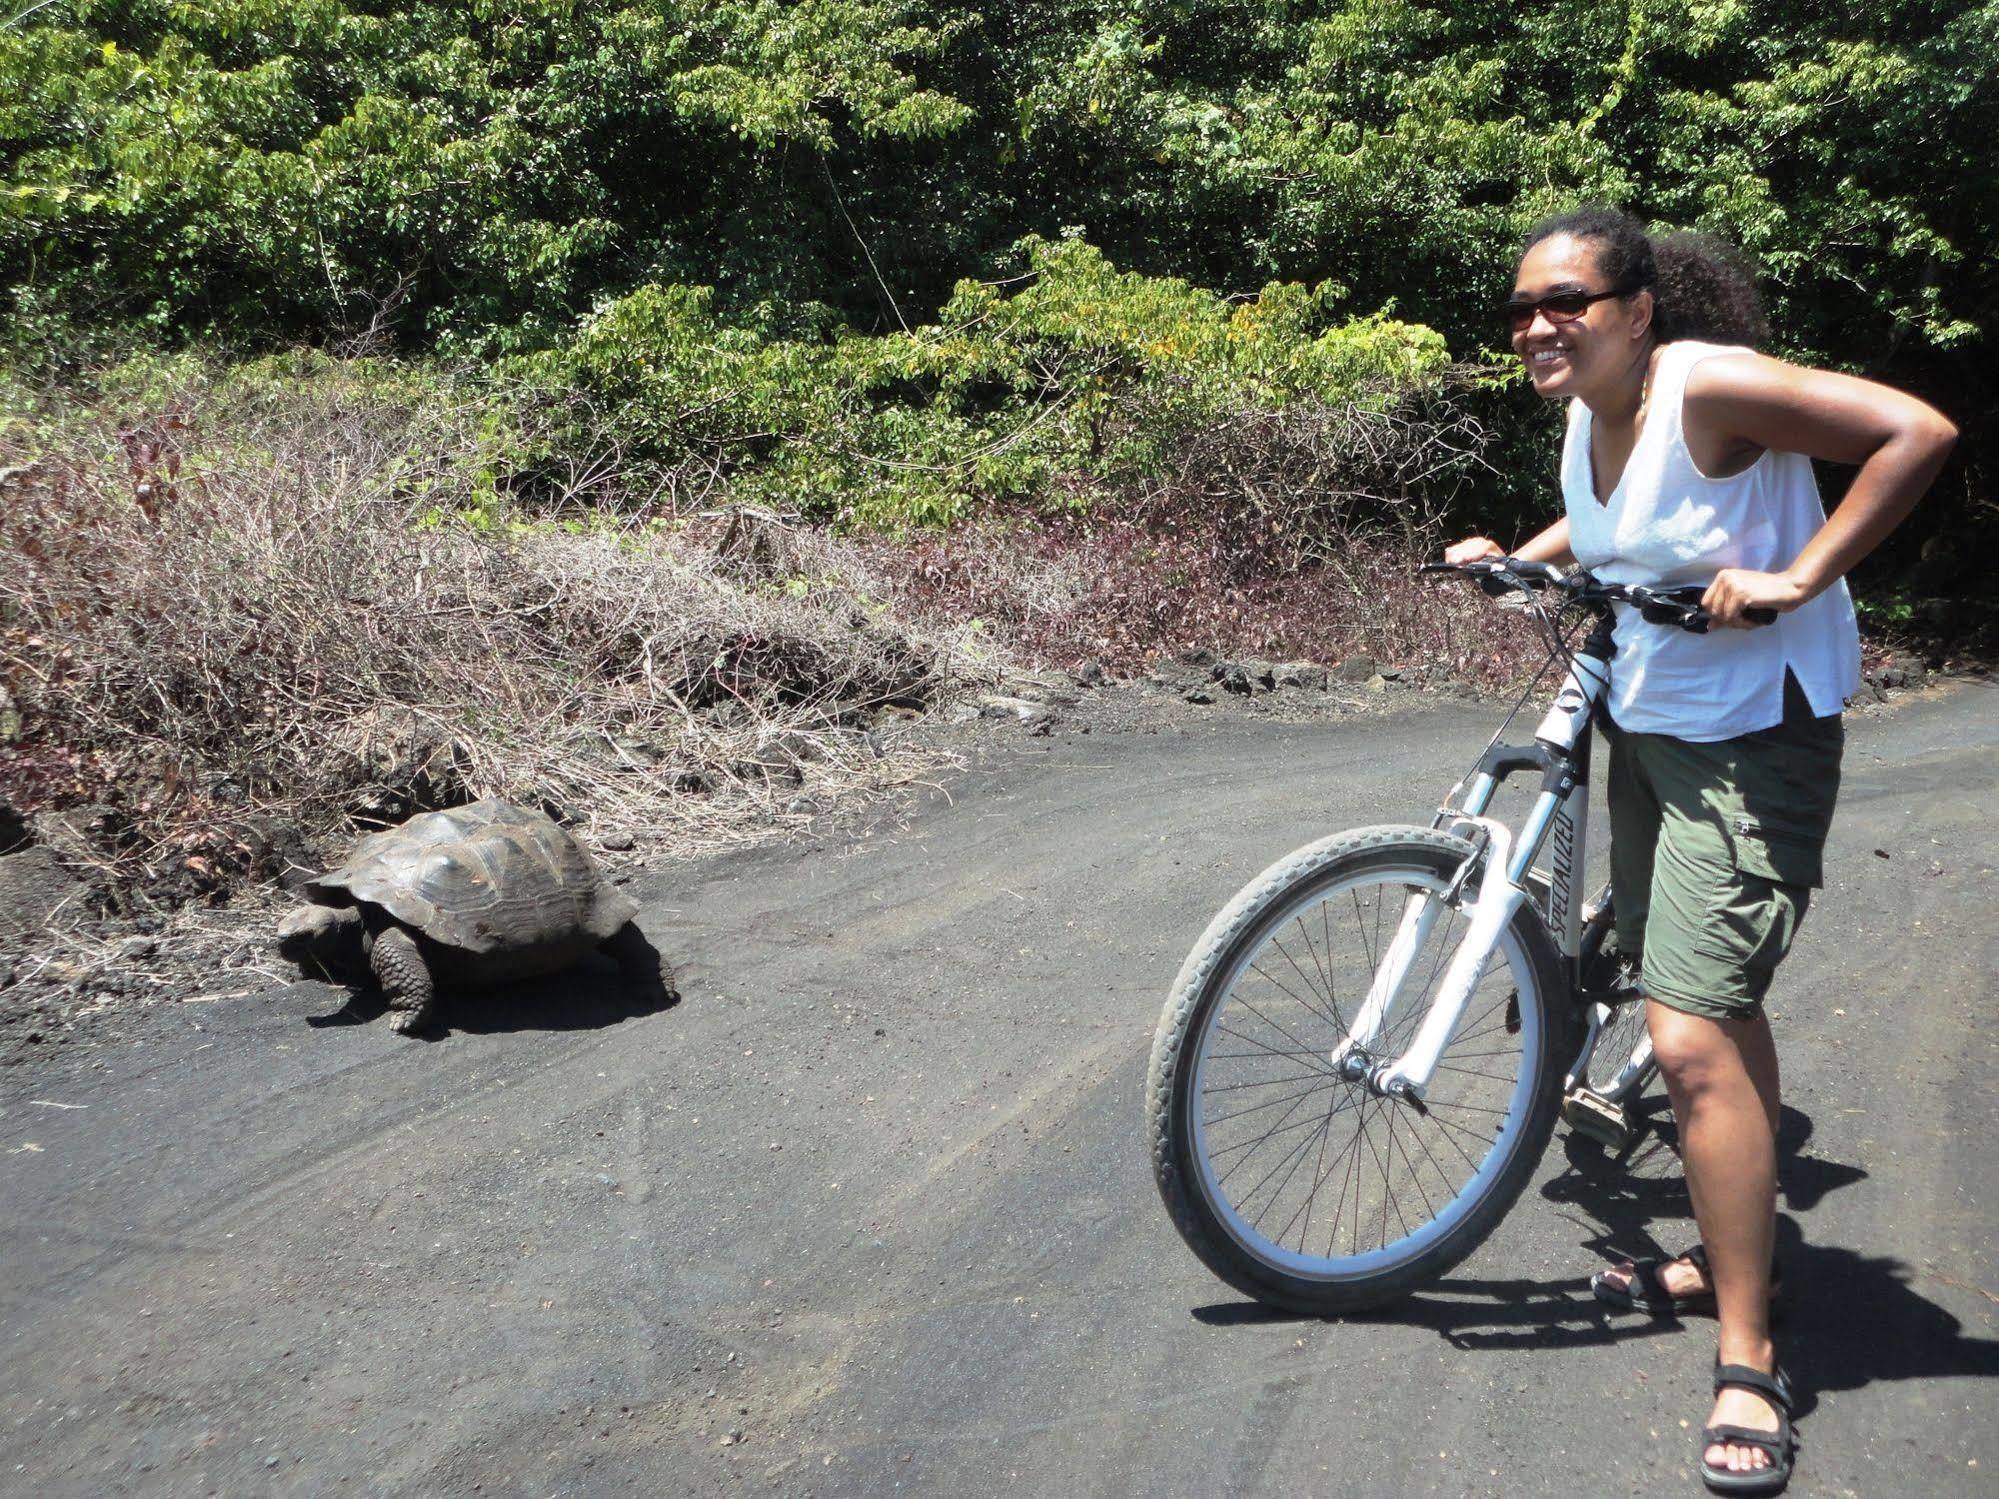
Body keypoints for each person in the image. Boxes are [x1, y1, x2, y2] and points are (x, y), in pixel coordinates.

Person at [1445, 205, 1956, 1496]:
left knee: (1685, 1038)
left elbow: (1919, 432)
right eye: (1521, 310)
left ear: (1640, 310)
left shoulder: (1706, 386)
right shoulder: (1585, 411)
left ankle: (1749, 1354)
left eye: (1566, 301)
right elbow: (1620, 531)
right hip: (1657, 724)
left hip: (1756, 740)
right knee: (1717, 1008)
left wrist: (1803, 573)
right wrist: (1525, 553)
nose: (1538, 325)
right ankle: (1752, 1256)